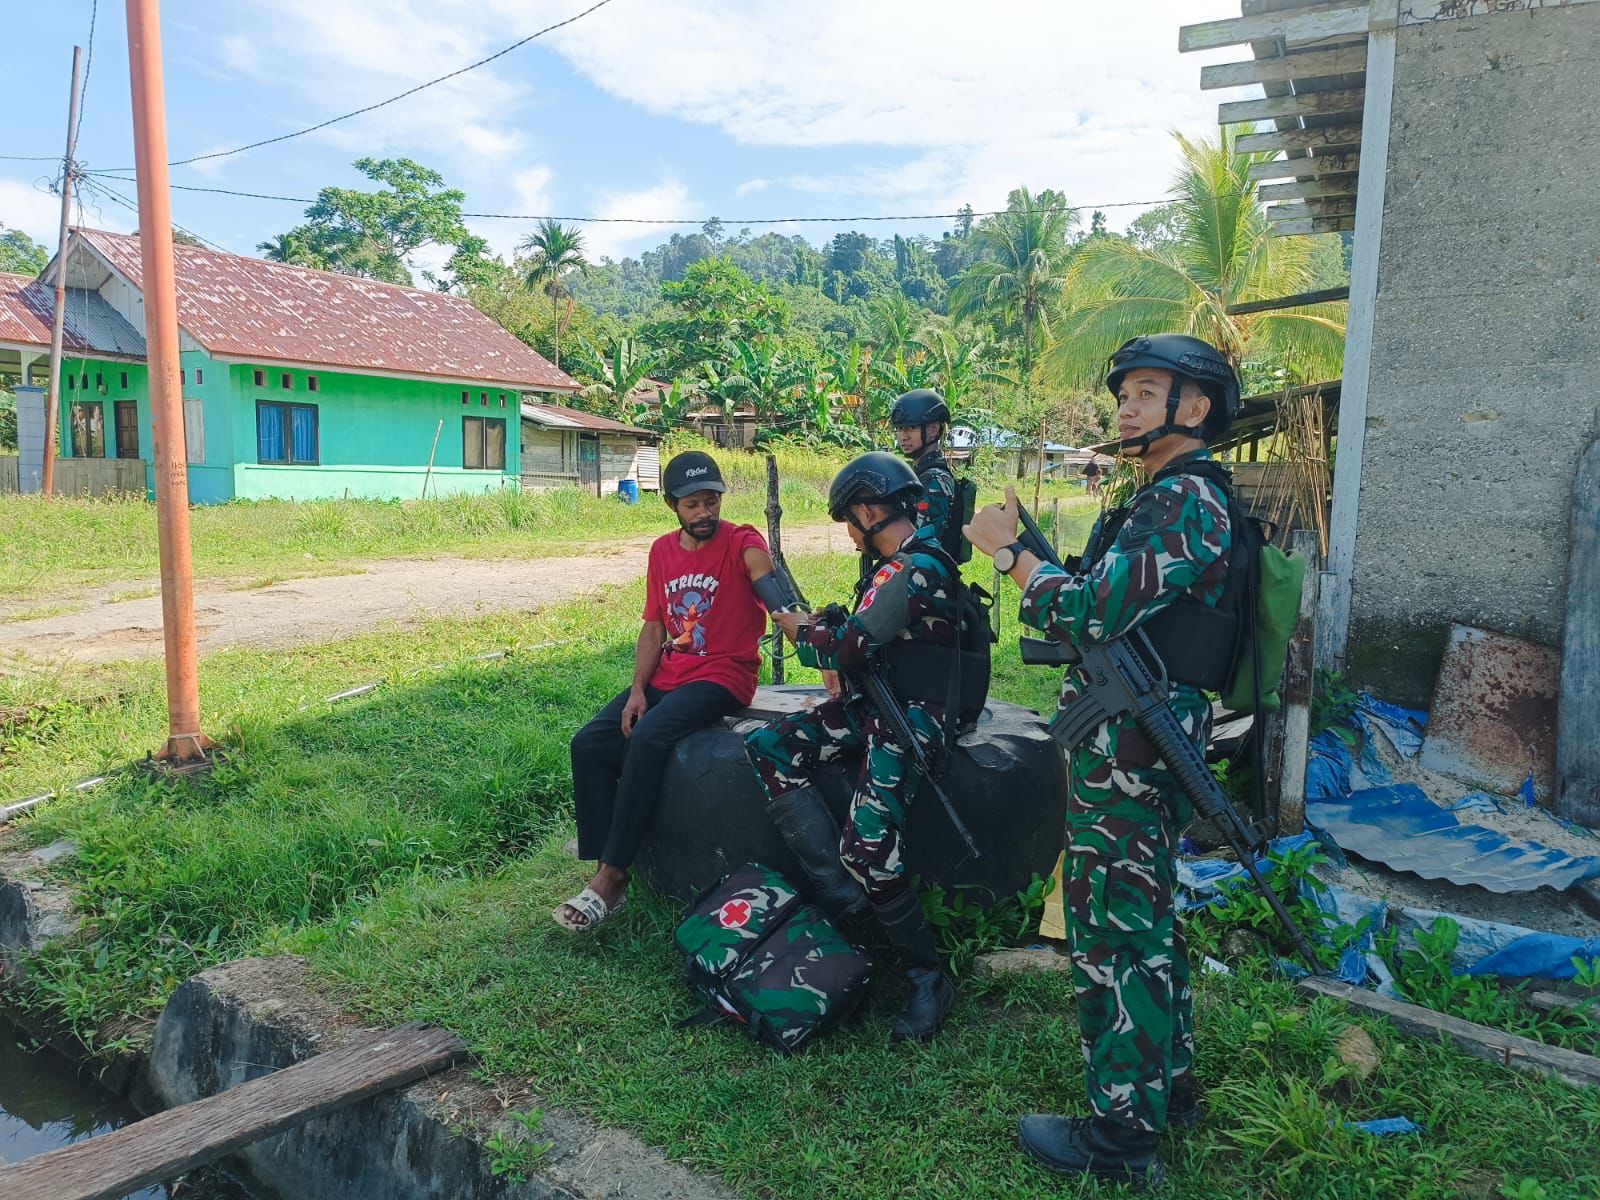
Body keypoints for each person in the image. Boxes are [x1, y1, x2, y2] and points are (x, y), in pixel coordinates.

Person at [964, 334, 1240, 1186]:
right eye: (1123, 390)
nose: (1125, 403)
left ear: (1192, 408)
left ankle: (1120, 1138)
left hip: (1132, 756)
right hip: (1136, 744)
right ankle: (1171, 1087)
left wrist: (1011, 558)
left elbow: (1086, 612)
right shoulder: (1165, 498)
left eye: (1146, 391)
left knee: (1114, 933)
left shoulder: (1185, 501)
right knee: (1146, 923)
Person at [743, 451, 967, 1043]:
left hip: (914, 715)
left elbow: (843, 650)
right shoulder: (890, 567)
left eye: (848, 520)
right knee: (771, 746)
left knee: (870, 848)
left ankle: (926, 975)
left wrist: (796, 625)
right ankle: (843, 898)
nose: (848, 533)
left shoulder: (913, 568)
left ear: (869, 511)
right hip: (879, 701)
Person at [556, 450, 780, 932]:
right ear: (672, 506)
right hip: (669, 675)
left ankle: (614, 876)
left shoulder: (743, 541)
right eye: (693, 504)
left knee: (651, 735)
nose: (705, 512)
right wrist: (638, 689)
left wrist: (796, 621)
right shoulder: (662, 551)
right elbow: (654, 628)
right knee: (591, 743)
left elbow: (768, 582)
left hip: (725, 675)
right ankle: (602, 864)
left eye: (711, 501)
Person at [889, 389, 959, 552]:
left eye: (910, 428)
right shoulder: (921, 474)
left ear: (933, 429)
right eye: (899, 429)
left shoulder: (934, 479)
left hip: (925, 571)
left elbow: (919, 543)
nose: (903, 436)